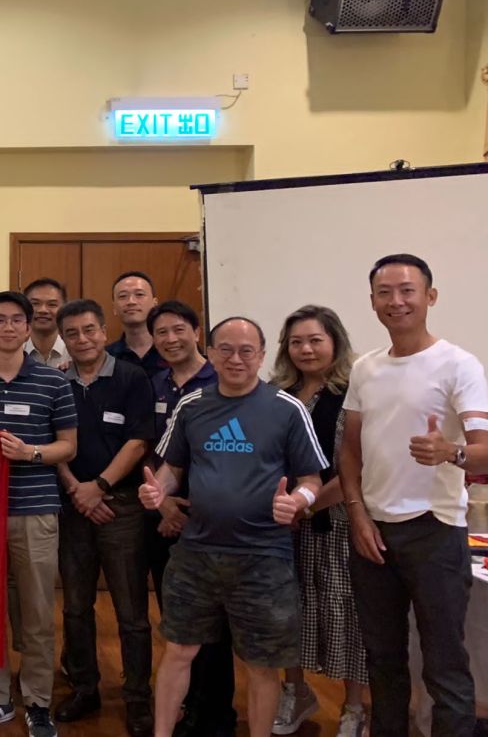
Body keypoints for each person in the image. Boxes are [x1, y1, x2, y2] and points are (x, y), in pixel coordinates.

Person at [141, 317, 326, 737]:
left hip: (264, 557)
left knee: (261, 665)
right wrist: (159, 492)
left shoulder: (287, 409)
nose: (236, 359)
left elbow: (313, 479)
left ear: (262, 356)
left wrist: (297, 502)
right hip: (196, 554)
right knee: (178, 650)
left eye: (247, 351)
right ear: (210, 353)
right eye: (225, 349)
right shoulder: (192, 406)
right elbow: (172, 467)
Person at [340, 254, 488, 737]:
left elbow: (484, 451)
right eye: (385, 292)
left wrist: (453, 452)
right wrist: (359, 516)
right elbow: (350, 450)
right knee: (382, 660)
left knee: (445, 664)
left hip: (435, 531)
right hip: (372, 535)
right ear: (373, 302)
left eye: (407, 290)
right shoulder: (365, 368)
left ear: (430, 296)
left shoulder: (459, 364)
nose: (396, 301)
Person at [0, 291, 77, 737]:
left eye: (17, 320)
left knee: (38, 610)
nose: (8, 327)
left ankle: (38, 701)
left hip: (36, 510)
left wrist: (30, 453)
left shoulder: (53, 382)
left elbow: (69, 445)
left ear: (28, 328)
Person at [51, 300, 154, 737]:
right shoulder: (56, 382)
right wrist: (77, 489)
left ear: (103, 329)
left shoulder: (132, 377)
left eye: (89, 330)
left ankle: (137, 699)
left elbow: (138, 440)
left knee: (131, 612)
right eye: (72, 333)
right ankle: (85, 686)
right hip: (73, 506)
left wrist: (101, 487)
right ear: (63, 339)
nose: (82, 339)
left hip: (122, 506)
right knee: (75, 607)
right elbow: (49, 439)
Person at [267, 306, 367, 737]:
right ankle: (296, 692)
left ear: (335, 343)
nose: (305, 349)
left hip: (338, 515)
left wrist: (308, 506)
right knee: (288, 610)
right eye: (296, 342)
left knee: (346, 611)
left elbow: (355, 464)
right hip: (281, 521)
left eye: (315, 340)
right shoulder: (275, 394)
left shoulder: (355, 391)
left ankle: (354, 707)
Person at [144, 301, 234, 737]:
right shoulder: (155, 383)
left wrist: (192, 509)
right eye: (161, 333)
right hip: (164, 514)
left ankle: (215, 715)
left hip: (214, 521)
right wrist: (163, 505)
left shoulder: (221, 381)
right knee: (179, 624)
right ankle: (184, 710)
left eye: (178, 329)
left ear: (196, 331)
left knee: (216, 629)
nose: (170, 339)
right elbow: (153, 451)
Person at [106, 272, 166, 378]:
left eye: (139, 295)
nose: (131, 301)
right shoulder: (106, 358)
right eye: (123, 296)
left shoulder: (172, 348)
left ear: (154, 303)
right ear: (114, 307)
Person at [22, 278, 70, 369]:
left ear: (64, 309)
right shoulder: (15, 353)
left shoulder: (73, 353)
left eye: (52, 304)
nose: (42, 310)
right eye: (35, 303)